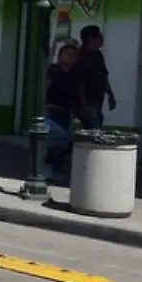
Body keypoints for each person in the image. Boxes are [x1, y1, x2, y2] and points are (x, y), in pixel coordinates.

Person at [45, 43, 79, 180]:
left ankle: (56, 168)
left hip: (66, 113)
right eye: (67, 54)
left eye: (73, 55)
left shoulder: (74, 75)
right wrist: (45, 105)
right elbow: (45, 88)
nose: (70, 57)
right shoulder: (53, 71)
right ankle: (47, 168)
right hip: (51, 111)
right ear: (60, 56)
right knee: (55, 140)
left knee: (64, 142)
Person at [74, 25, 115, 130]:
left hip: (97, 100)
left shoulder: (98, 55)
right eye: (99, 37)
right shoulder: (81, 56)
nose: (102, 39)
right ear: (92, 39)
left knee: (97, 121)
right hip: (86, 101)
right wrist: (83, 105)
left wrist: (110, 95)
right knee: (93, 127)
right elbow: (79, 82)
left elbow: (103, 76)